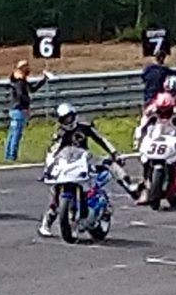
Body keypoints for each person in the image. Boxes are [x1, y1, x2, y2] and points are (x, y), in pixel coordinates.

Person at [40, 101, 120, 236]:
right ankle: (47, 221)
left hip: (84, 160)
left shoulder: (85, 127)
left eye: (69, 117)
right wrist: (48, 169)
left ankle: (105, 207)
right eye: (64, 119)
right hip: (67, 164)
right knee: (56, 190)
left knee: (100, 175)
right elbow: (52, 151)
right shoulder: (60, 133)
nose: (68, 121)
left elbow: (100, 139)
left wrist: (114, 152)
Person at [4, 60, 52, 162]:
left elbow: (32, 89)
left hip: (15, 109)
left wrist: (43, 80)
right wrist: (26, 106)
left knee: (12, 133)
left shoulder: (20, 81)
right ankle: (12, 156)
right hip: (19, 109)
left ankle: (8, 155)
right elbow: (21, 95)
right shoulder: (19, 82)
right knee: (16, 133)